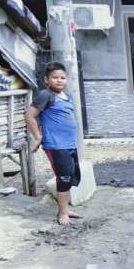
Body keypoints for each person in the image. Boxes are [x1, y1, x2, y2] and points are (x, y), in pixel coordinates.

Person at [25, 61, 83, 226]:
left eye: (62, 77)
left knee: (70, 177)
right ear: (46, 80)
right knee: (63, 178)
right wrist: (38, 137)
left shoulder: (67, 97)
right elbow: (29, 115)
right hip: (56, 145)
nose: (59, 80)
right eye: (55, 77)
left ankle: (64, 209)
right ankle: (63, 213)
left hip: (69, 144)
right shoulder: (46, 95)